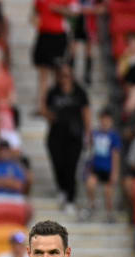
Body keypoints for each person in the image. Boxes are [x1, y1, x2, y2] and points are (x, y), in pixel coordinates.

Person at [43, 66, 90, 214]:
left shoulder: (80, 92)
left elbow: (86, 112)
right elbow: (45, 109)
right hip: (56, 134)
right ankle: (62, 188)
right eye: (62, 76)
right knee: (58, 163)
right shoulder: (53, 92)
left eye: (67, 75)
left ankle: (70, 198)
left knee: (71, 166)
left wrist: (88, 133)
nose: (64, 79)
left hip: (74, 135)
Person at [84, 110, 122, 218]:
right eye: (103, 120)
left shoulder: (114, 136)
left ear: (111, 121)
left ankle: (109, 212)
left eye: (107, 120)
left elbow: (116, 155)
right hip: (96, 167)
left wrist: (115, 173)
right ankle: (91, 205)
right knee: (90, 184)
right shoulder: (95, 133)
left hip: (108, 168)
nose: (105, 122)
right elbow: (89, 149)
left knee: (108, 192)